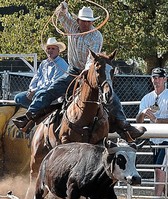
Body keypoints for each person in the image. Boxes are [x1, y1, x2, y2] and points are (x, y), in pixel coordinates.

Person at [13, 3, 145, 141]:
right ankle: (29, 116)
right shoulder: (72, 27)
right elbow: (61, 16)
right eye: (84, 21)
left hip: (90, 71)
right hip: (72, 71)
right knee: (50, 90)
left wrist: (87, 72)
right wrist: (63, 7)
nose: (86, 24)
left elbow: (91, 58)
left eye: (89, 21)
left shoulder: (96, 36)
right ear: (78, 21)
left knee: (109, 94)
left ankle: (124, 126)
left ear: (92, 22)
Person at [136, 67, 168, 199]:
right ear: (151, 79)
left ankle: (156, 198)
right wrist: (143, 113)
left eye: (160, 77)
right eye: (155, 77)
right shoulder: (147, 98)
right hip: (154, 140)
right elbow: (138, 121)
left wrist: (156, 120)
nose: (157, 80)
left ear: (165, 79)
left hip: (166, 139)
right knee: (160, 170)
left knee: (159, 169)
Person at [14, 37, 68, 108]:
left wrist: (35, 90)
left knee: (37, 96)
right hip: (38, 90)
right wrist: (31, 89)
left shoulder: (61, 64)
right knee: (18, 98)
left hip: (51, 92)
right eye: (48, 48)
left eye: (53, 48)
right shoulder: (44, 63)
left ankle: (34, 112)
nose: (50, 51)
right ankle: (40, 110)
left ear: (58, 51)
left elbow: (53, 83)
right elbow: (36, 77)